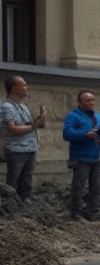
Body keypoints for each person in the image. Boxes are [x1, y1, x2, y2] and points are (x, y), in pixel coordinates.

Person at [62, 91, 100, 220]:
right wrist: (84, 134)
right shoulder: (73, 116)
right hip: (81, 157)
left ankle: (92, 211)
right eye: (88, 101)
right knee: (79, 187)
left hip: (96, 156)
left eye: (93, 100)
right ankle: (76, 212)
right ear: (80, 103)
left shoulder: (98, 116)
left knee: (97, 187)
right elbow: (67, 134)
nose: (91, 103)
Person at [1, 75, 46, 203]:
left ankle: (23, 207)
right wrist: (34, 125)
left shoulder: (23, 107)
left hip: (29, 148)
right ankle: (9, 208)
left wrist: (40, 121)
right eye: (24, 85)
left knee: (26, 182)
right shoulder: (7, 107)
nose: (27, 88)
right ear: (15, 88)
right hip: (16, 150)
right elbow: (12, 129)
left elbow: (29, 126)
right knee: (13, 182)